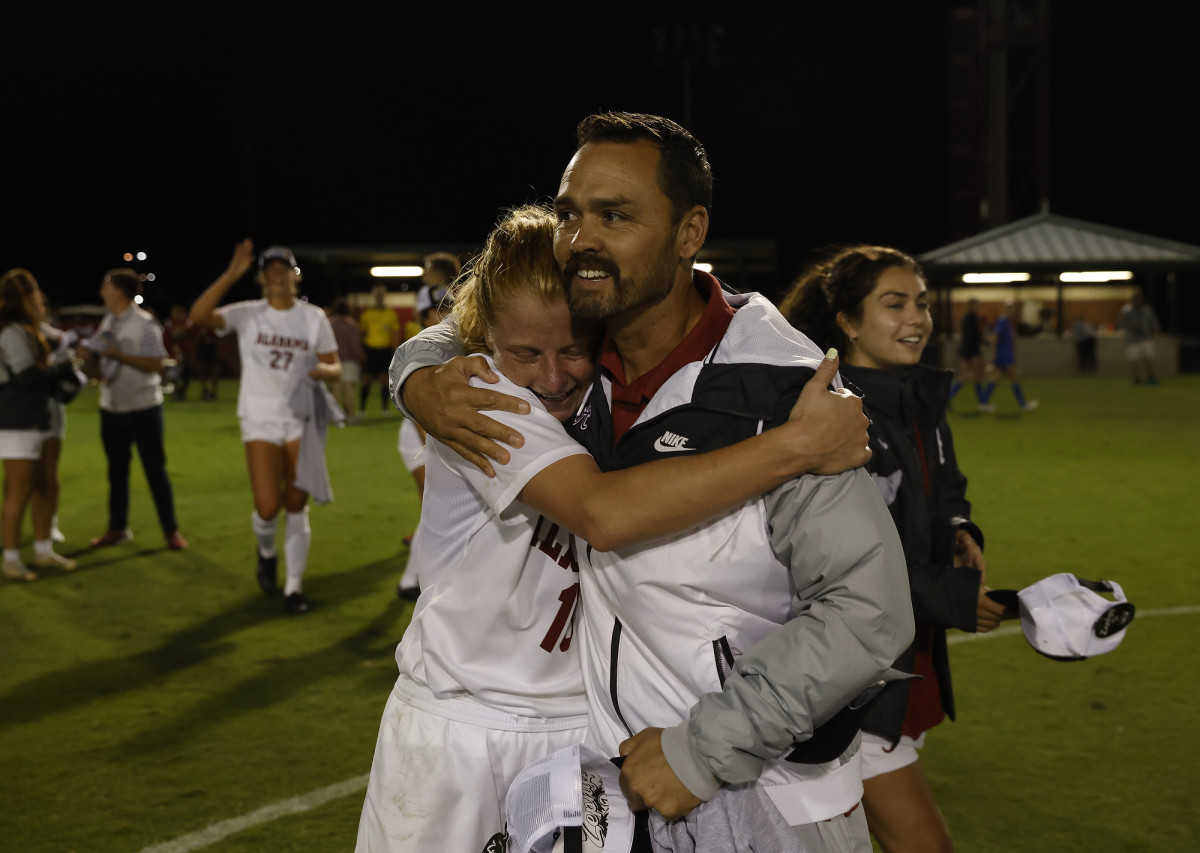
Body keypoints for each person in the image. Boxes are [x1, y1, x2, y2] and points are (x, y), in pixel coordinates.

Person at [393, 112, 913, 850]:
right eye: (571, 215)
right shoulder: (582, 353)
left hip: (767, 793)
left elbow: (870, 610)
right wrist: (414, 373)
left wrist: (704, 749)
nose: (583, 240)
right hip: (625, 793)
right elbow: (484, 321)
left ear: (689, 232)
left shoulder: (779, 390)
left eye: (617, 215)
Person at [781, 245, 1009, 853]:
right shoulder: (836, 417)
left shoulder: (919, 400)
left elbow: (947, 490)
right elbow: (852, 564)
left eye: (923, 303)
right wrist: (959, 598)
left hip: (905, 659)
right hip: (851, 679)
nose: (918, 318)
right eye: (895, 303)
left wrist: (960, 530)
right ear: (848, 323)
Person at [190, 242, 341, 615]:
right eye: (270, 270)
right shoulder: (248, 314)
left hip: (301, 417)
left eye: (284, 269)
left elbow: (335, 365)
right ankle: (267, 551)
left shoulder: (313, 317)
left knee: (296, 503)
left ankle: (294, 588)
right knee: (268, 506)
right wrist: (230, 274)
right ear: (260, 277)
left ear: (295, 274)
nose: (277, 275)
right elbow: (199, 316)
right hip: (259, 417)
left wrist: (325, 372)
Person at [81, 269, 187, 552]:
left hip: (143, 407)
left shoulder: (145, 323)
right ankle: (117, 528)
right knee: (116, 471)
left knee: (155, 470)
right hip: (111, 407)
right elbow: (98, 360)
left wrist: (120, 355)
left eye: (106, 286)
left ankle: (171, 530)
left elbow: (158, 364)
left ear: (119, 291)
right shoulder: (108, 321)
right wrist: (88, 360)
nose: (102, 291)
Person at [0, 269, 78, 580]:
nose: (39, 297)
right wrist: (63, 367)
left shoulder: (29, 328)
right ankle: (11, 558)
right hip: (18, 420)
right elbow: (28, 378)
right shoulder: (10, 332)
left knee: (47, 483)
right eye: (33, 292)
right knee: (19, 491)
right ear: (22, 298)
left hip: (40, 417)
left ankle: (44, 551)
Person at [980, 300, 1038, 412]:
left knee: (995, 379)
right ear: (1005, 309)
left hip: (1006, 354)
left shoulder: (1007, 322)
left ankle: (983, 403)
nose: (1013, 311)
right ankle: (1023, 404)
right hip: (1004, 356)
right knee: (1013, 379)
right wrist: (991, 348)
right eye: (1010, 308)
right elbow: (996, 337)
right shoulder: (1002, 321)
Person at [358, 285, 400, 417]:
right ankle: (362, 409)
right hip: (371, 350)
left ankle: (385, 408)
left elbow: (395, 333)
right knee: (367, 380)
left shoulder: (391, 313)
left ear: (385, 296)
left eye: (382, 294)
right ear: (374, 296)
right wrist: (363, 351)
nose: (379, 297)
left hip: (385, 350)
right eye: (377, 295)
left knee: (384, 380)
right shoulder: (366, 314)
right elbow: (362, 333)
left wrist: (395, 350)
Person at [947, 298, 989, 411]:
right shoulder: (973, 317)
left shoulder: (965, 317)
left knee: (963, 378)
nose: (978, 308)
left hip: (964, 350)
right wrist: (986, 343)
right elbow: (975, 335)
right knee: (977, 377)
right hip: (972, 350)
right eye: (976, 305)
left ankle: (946, 400)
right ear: (972, 305)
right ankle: (982, 403)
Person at [328, 298, 365, 423]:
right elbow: (355, 344)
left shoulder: (330, 323)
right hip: (349, 360)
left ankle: (332, 416)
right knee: (349, 388)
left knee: (336, 388)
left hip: (334, 360)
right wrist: (360, 357)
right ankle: (351, 416)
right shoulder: (351, 324)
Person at [1118, 290, 1160, 384]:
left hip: (1145, 337)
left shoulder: (1147, 310)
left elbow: (1153, 320)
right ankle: (1137, 378)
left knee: (1148, 358)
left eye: (1140, 299)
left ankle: (1151, 377)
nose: (1139, 302)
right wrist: (1132, 326)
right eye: (1137, 300)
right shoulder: (1127, 311)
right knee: (1134, 360)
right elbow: (1121, 324)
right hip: (1132, 339)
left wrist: (1155, 328)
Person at [163, 304, 196, 400]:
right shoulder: (170, 323)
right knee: (173, 374)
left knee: (187, 374)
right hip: (172, 354)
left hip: (187, 353)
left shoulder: (188, 322)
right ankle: (175, 391)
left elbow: (189, 332)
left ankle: (182, 392)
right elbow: (174, 335)